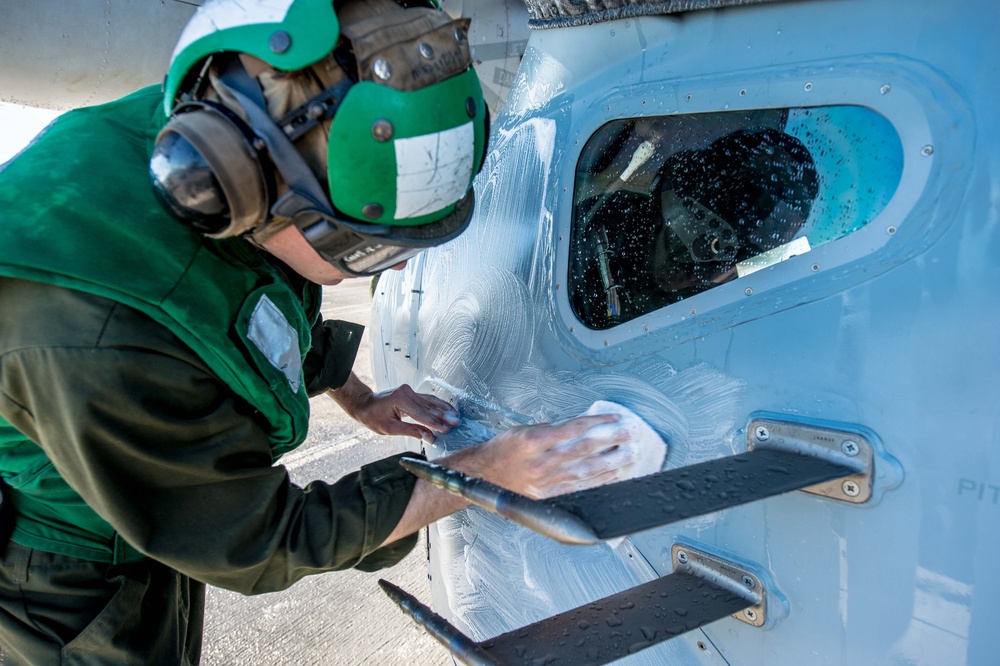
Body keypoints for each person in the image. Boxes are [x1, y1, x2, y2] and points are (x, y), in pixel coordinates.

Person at [0, 0, 630, 663]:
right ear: (238, 185)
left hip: (136, 478)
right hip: (65, 579)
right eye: (367, 250)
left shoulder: (222, 137)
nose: (405, 264)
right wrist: (481, 472)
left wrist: (357, 396)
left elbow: (242, 309)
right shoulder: (101, 340)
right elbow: (260, 541)